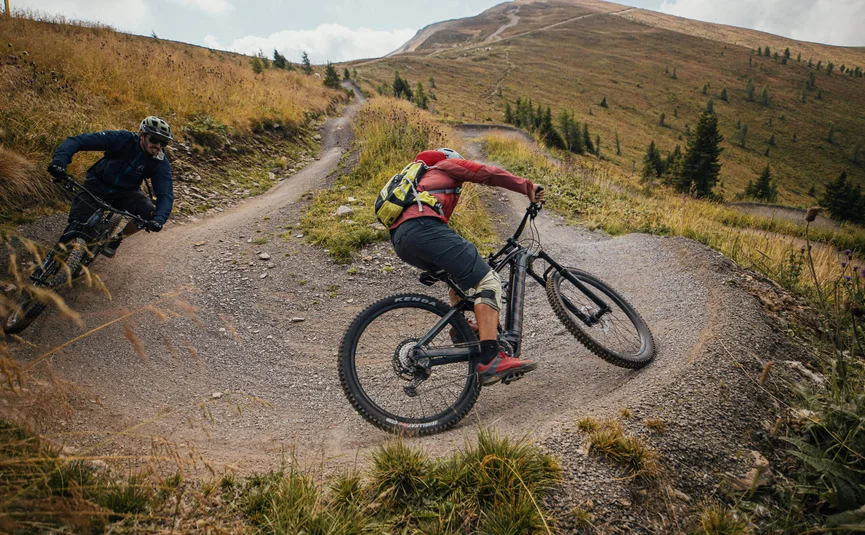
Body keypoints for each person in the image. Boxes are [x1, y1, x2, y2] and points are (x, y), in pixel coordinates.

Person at [390, 148, 545, 386]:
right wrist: (527, 186)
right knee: (489, 281)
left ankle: (460, 328)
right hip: (422, 228)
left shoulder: (419, 184)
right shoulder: (445, 166)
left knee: (457, 272)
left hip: (401, 240)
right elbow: (486, 173)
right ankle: (491, 359)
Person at [46, 116, 175, 257]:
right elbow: (78, 141)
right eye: (154, 140)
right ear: (142, 135)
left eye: (163, 143)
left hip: (127, 192)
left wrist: (159, 219)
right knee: (78, 225)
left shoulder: (160, 162)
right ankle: (52, 259)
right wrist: (59, 162)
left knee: (149, 213)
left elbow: (165, 193)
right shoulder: (122, 139)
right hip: (97, 184)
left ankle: (117, 239)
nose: (158, 146)